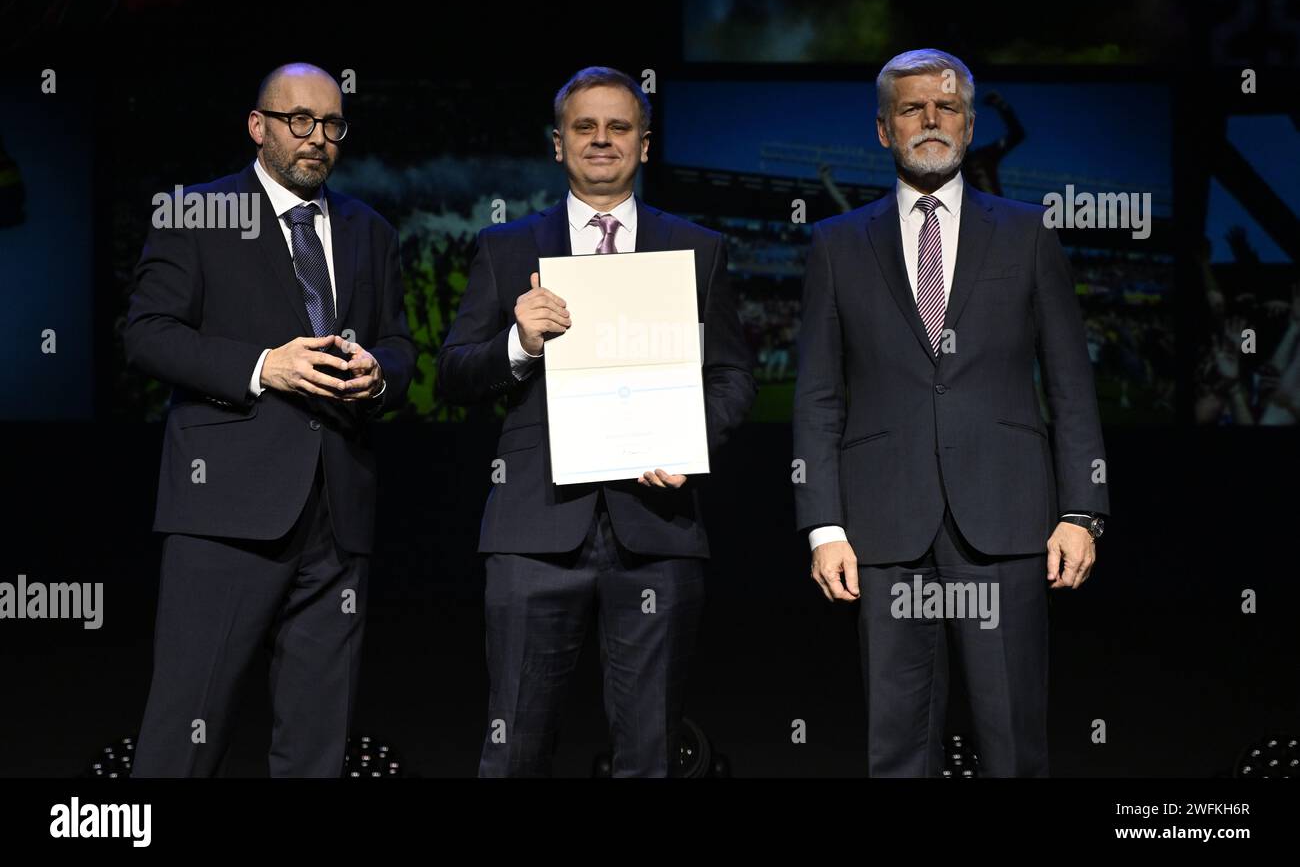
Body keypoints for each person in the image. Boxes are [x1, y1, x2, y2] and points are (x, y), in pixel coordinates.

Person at [794, 49, 1109, 777]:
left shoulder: (1028, 232)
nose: (930, 120)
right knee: (897, 748)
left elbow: (1071, 385)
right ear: (883, 129)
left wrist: (1083, 510)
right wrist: (823, 524)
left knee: (1013, 746)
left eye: (946, 108)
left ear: (968, 126)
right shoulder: (835, 245)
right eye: (911, 108)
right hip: (880, 527)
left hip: (1008, 518)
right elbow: (816, 393)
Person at [438, 66, 755, 776]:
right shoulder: (507, 248)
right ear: (559, 144)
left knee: (650, 754)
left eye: (619, 127)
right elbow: (453, 374)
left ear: (644, 143)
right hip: (533, 530)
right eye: (586, 127)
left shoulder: (697, 248)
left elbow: (734, 377)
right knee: (513, 748)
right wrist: (517, 342)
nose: (602, 140)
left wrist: (687, 439)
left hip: (658, 526)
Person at [125, 62, 415, 776]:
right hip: (225, 507)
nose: (317, 137)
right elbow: (148, 334)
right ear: (259, 127)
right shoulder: (196, 211)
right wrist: (264, 366)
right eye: (299, 120)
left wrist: (380, 374)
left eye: (332, 124)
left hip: (338, 512)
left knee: (318, 742)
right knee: (185, 731)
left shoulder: (369, 230)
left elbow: (403, 346)